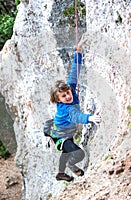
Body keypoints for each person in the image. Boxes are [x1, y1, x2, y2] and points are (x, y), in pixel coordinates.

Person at [49, 35, 102, 182]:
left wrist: (78, 52)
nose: (68, 96)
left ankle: (64, 171)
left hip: (64, 132)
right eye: (63, 96)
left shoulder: (70, 88)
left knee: (70, 151)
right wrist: (90, 118)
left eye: (67, 93)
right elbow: (76, 116)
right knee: (79, 154)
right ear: (58, 100)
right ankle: (70, 166)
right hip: (60, 137)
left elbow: (74, 72)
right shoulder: (66, 109)